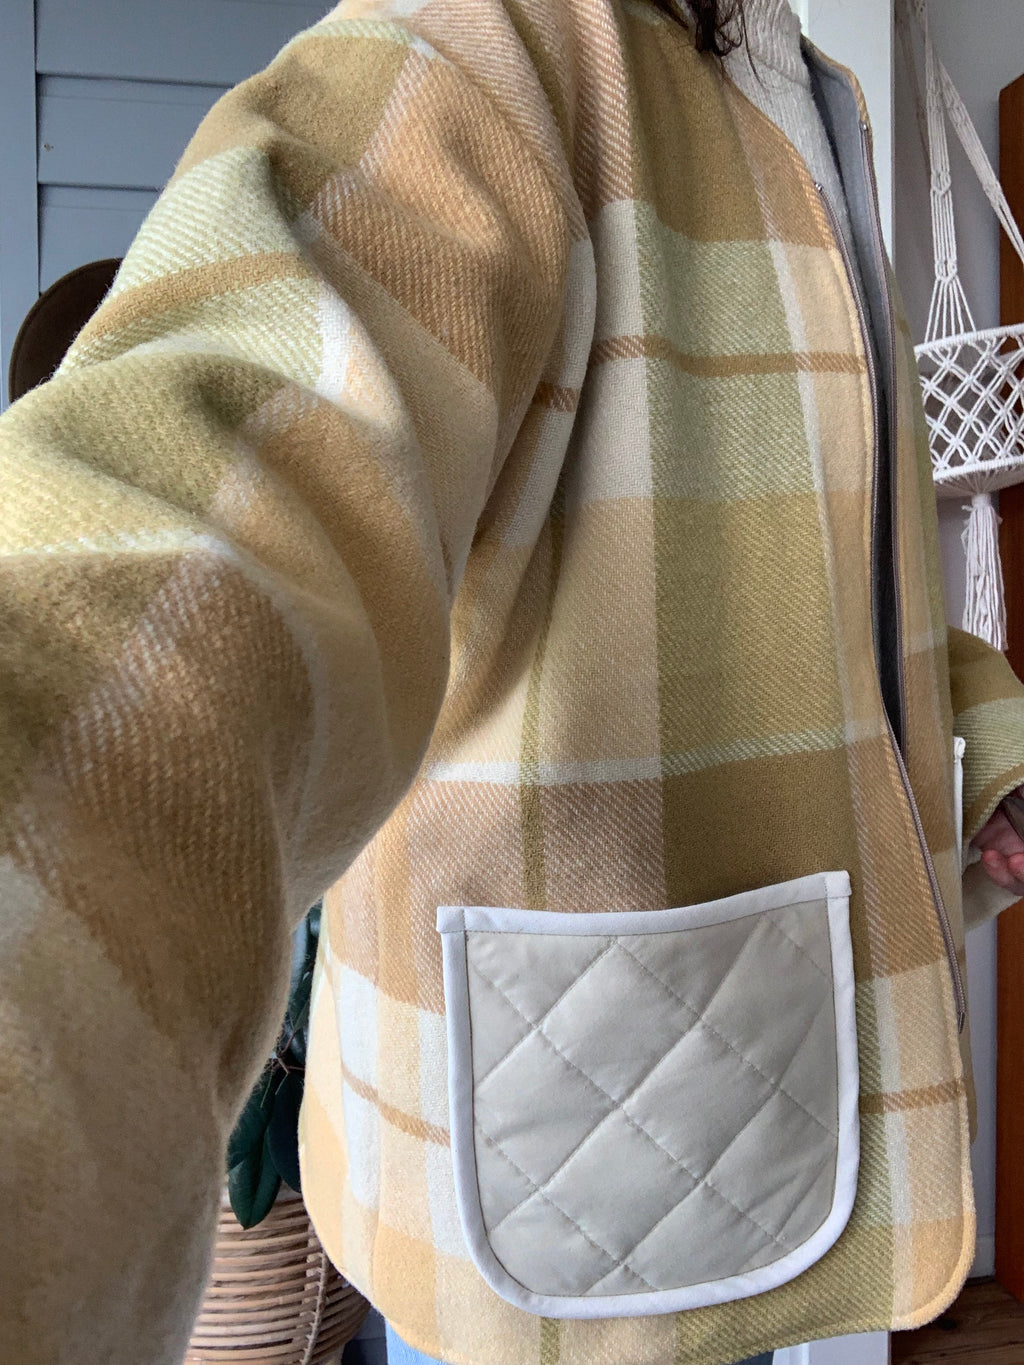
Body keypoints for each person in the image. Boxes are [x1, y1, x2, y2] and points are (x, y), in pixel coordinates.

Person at [4, 1, 1024, 1364]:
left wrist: (989, 751)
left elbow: (832, 579)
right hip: (557, 1158)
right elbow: (219, 497)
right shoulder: (476, 44)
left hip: (749, 1088)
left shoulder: (791, 94)